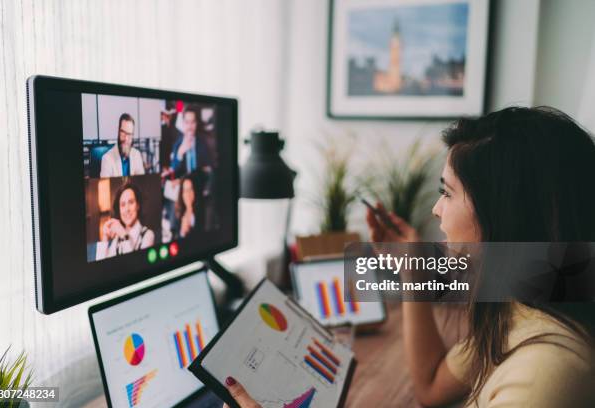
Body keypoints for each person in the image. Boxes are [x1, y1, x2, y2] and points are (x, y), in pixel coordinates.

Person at [221, 106, 595, 407]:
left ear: (503, 214)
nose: (435, 209)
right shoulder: (517, 312)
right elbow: (432, 386)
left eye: (447, 193)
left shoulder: (547, 371)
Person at [96, 183, 155, 260]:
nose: (127, 209)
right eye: (123, 205)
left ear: (138, 205)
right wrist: (105, 237)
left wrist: (124, 235)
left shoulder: (148, 235)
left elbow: (136, 265)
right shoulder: (117, 239)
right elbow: (101, 267)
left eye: (131, 202)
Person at [170, 105, 212, 178]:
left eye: (193, 122)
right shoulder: (177, 145)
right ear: (183, 124)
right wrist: (180, 153)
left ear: (196, 124)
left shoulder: (203, 143)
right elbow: (173, 172)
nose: (190, 126)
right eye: (187, 122)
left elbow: (209, 168)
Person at [100, 113, 145, 177]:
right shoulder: (107, 159)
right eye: (123, 132)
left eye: (129, 134)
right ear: (118, 131)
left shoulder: (137, 155)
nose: (126, 138)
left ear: (132, 135)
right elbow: (104, 185)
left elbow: (141, 182)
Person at [173, 174, 203, 239]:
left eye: (190, 189)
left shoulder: (203, 210)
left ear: (195, 190)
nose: (188, 194)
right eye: (185, 191)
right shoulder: (178, 213)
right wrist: (182, 232)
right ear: (181, 194)